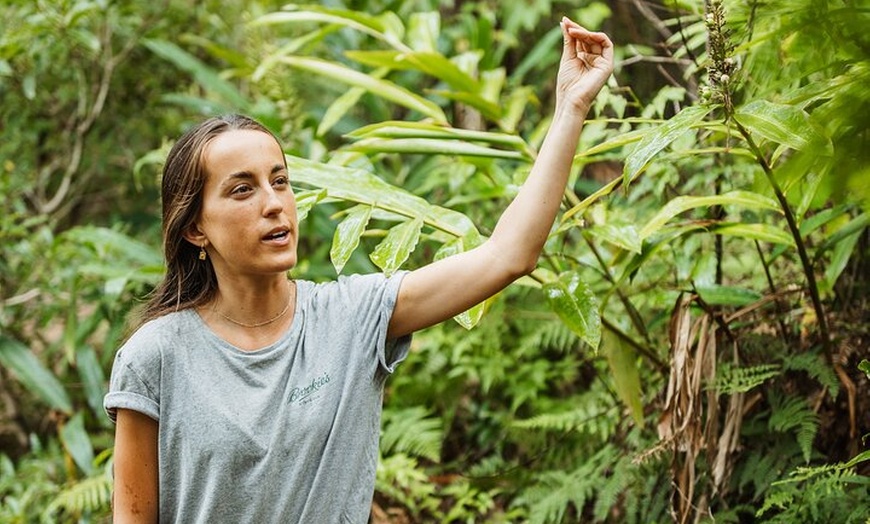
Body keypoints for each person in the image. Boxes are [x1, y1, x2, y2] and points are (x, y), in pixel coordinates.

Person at [104, 16, 614, 523]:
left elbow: (509, 255)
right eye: (242, 189)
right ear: (195, 228)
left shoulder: (351, 317)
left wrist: (571, 106)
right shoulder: (157, 357)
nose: (274, 203)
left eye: (279, 181)